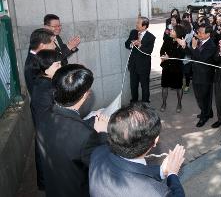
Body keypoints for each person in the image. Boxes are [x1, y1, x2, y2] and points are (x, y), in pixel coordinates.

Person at [37, 64, 109, 197]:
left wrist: (90, 122)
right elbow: (102, 167)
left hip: (54, 187)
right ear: (84, 95)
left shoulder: (44, 116)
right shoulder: (86, 136)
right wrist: (103, 133)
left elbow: (68, 132)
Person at [89, 103, 185, 197]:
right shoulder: (155, 193)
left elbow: (131, 167)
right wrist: (172, 173)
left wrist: (161, 171)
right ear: (155, 141)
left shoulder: (98, 153)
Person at [29, 49, 62, 191]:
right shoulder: (45, 88)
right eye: (57, 65)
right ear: (46, 68)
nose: (60, 68)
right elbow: (53, 115)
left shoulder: (44, 81)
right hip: (49, 136)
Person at [185, 24, 217, 127]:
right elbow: (191, 53)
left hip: (205, 76)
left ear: (208, 34)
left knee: (204, 97)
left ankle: (204, 116)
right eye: (198, 32)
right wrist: (186, 46)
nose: (199, 34)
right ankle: (208, 112)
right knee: (199, 96)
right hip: (196, 73)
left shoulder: (211, 45)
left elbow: (202, 58)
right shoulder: (198, 41)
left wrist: (194, 47)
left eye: (201, 33)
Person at [125, 17, 156, 104]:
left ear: (144, 26)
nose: (136, 24)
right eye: (137, 22)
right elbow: (126, 44)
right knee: (133, 86)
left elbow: (149, 51)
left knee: (145, 87)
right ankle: (134, 104)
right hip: (133, 65)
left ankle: (145, 105)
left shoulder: (151, 37)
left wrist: (140, 45)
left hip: (144, 67)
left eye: (138, 23)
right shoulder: (133, 32)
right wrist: (132, 44)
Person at [160, 25, 187, 113]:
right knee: (164, 86)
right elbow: (162, 50)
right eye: (171, 30)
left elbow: (181, 56)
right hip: (166, 66)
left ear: (178, 33)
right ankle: (164, 103)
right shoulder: (167, 39)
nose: (171, 31)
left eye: (173, 31)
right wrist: (163, 56)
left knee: (178, 87)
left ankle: (179, 103)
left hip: (177, 68)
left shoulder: (182, 42)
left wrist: (169, 57)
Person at [24, 28, 56, 96]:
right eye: (53, 42)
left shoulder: (35, 53)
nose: (55, 46)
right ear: (42, 46)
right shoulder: (34, 65)